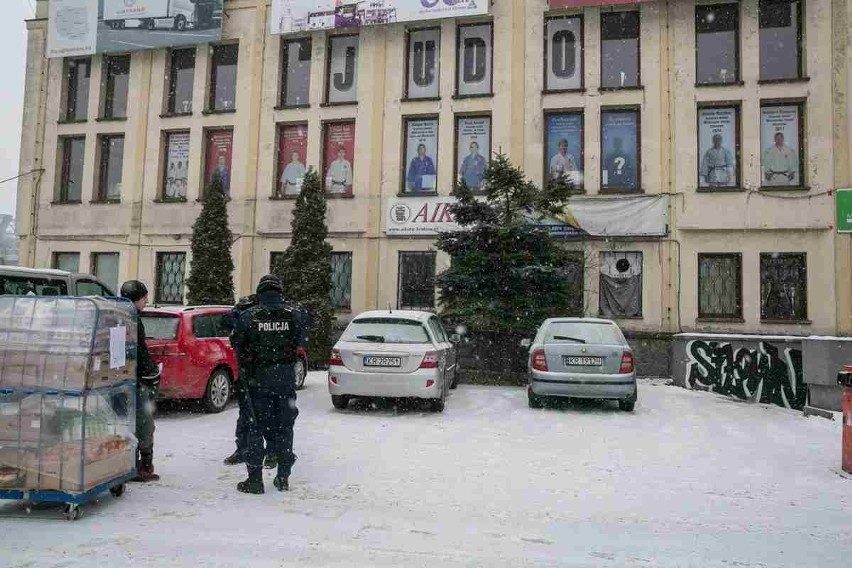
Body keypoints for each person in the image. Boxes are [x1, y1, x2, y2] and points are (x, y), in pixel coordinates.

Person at [231, 275, 307, 494]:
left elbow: (238, 344)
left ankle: (255, 479)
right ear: (280, 293)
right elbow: (301, 340)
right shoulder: (294, 315)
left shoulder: (248, 317)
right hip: (284, 380)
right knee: (285, 428)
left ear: (260, 294)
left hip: (257, 381)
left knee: (255, 427)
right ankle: (283, 476)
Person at [222, 275, 287, 469]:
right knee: (250, 415)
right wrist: (240, 310)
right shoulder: (249, 309)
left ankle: (269, 452)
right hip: (255, 372)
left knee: (262, 415)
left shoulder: (281, 310)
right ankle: (246, 450)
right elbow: (227, 322)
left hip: (262, 373)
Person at [120, 280, 163, 483]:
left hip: (120, 381)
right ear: (136, 299)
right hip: (134, 381)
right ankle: (144, 466)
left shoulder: (117, 315)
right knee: (144, 422)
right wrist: (152, 371)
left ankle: (127, 463)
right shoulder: (132, 319)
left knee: (126, 423)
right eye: (144, 297)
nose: (147, 300)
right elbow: (139, 351)